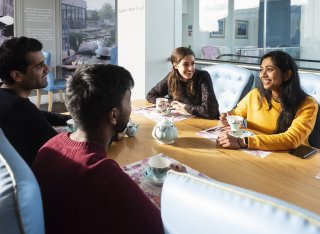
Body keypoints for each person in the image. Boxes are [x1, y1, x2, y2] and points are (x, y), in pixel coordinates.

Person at [32, 64, 164, 234]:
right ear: (113, 115)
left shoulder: (52, 145)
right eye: (128, 101)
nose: (131, 108)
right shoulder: (101, 173)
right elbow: (156, 226)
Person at [217, 50, 318, 151]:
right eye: (261, 69)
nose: (262, 75)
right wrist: (226, 119)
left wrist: (244, 141)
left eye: (269, 69)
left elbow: (292, 139)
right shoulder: (255, 94)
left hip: (291, 157)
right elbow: (235, 115)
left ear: (287, 75)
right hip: (256, 153)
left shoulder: (308, 104)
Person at [0, 36, 70, 166]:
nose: (47, 69)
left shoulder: (7, 98)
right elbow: (65, 150)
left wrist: (72, 119)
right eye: (39, 66)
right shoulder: (18, 106)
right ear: (17, 75)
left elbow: (39, 114)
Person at [146, 47, 219, 119]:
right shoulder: (171, 77)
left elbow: (211, 111)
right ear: (175, 65)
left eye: (192, 63)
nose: (190, 68)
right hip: (183, 122)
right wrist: (171, 103)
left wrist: (185, 107)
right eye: (185, 64)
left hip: (204, 123)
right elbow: (150, 95)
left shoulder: (203, 76)